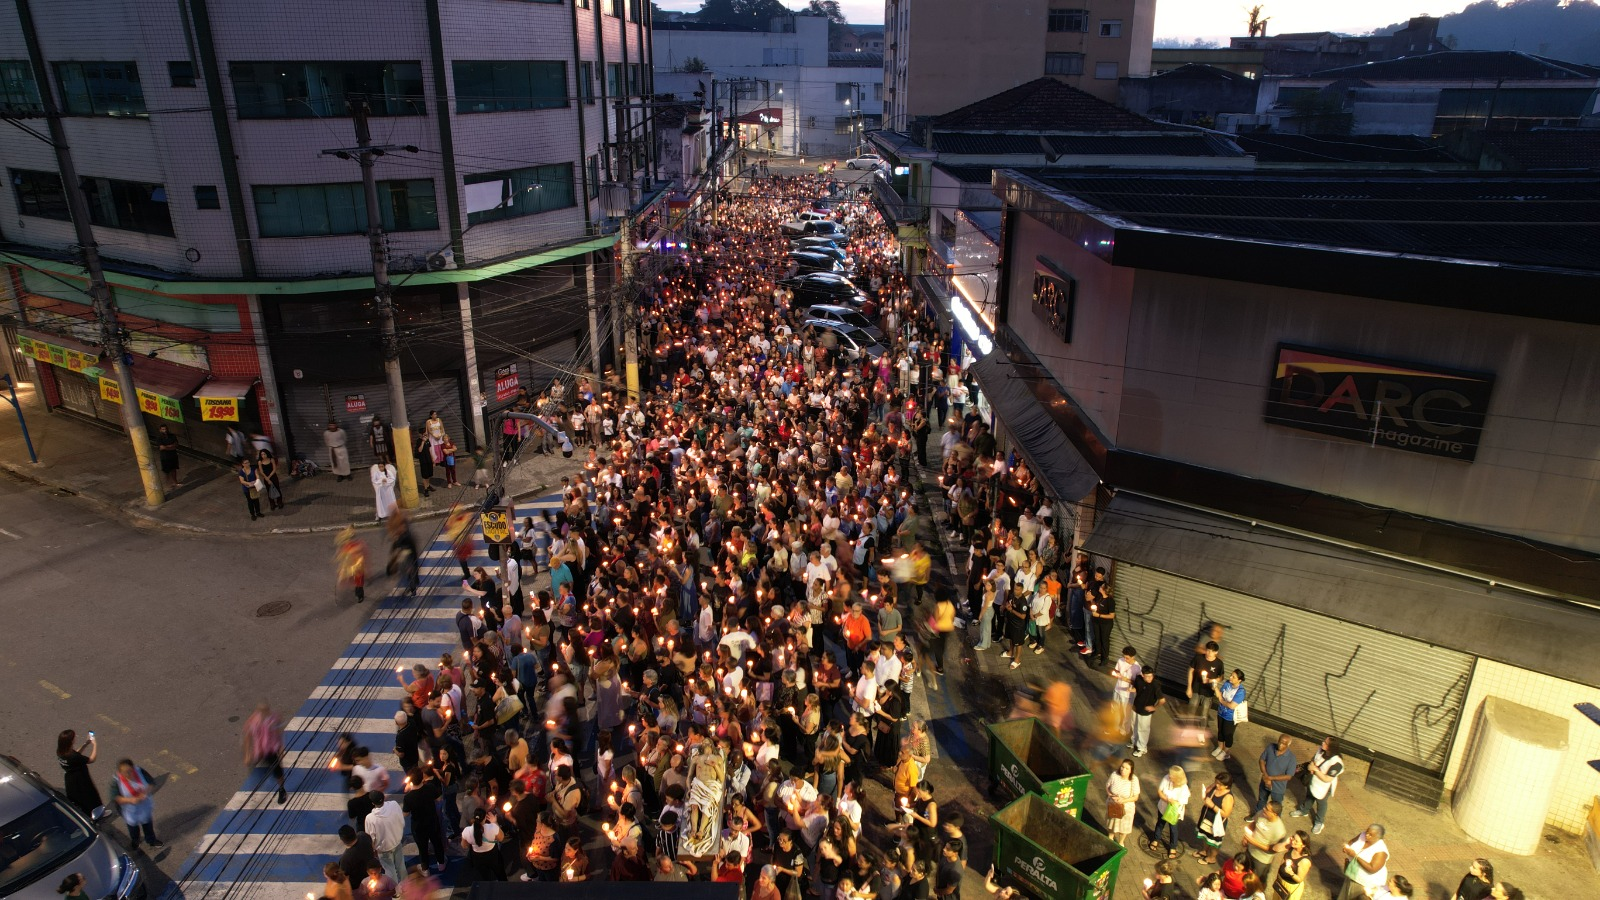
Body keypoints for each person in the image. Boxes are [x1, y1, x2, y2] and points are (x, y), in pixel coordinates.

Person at [1292, 735, 1343, 835]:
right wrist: (1312, 766)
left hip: (1324, 787)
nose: (1322, 743)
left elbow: (1327, 779)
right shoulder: (1321, 750)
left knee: (1321, 803)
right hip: (1314, 781)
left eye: (1325, 743)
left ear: (1330, 747)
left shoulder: (1337, 763)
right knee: (1309, 795)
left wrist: (1314, 770)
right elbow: (1314, 759)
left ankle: (1319, 822)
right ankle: (1304, 810)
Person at [108, 759, 162, 850]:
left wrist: (145, 793)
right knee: (133, 828)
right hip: (129, 811)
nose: (128, 774)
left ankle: (151, 840)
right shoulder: (116, 781)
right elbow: (115, 797)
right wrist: (130, 800)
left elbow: (151, 782)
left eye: (130, 771)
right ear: (120, 772)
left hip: (144, 807)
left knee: (148, 825)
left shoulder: (140, 771)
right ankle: (135, 841)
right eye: (125, 772)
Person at [242, 703, 288, 804]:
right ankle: (258, 782)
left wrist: (280, 748)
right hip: (259, 751)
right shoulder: (253, 721)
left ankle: (281, 790)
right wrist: (247, 754)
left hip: (272, 750)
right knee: (256, 770)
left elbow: (279, 732)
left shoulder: (274, 718)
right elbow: (248, 738)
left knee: (278, 772)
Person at [1336, 824, 1390, 900]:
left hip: (1364, 881)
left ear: (1378, 838)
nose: (1367, 835)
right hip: (1352, 873)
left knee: (1354, 897)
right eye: (1367, 832)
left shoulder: (1381, 851)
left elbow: (1372, 869)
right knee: (1345, 893)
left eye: (1371, 835)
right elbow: (1352, 841)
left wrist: (1355, 856)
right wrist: (1347, 847)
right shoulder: (1363, 835)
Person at [55, 730, 101, 816]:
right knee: (90, 796)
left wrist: (85, 744)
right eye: (74, 737)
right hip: (80, 778)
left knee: (77, 799)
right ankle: (97, 813)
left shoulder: (61, 752)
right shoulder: (73, 756)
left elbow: (76, 754)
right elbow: (91, 759)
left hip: (69, 779)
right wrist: (95, 745)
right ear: (71, 741)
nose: (75, 738)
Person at [366, 790, 407, 882]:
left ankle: (395, 891)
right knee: (401, 866)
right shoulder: (394, 805)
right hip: (396, 842)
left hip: (383, 849)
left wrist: (373, 850)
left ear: (372, 803)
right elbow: (401, 821)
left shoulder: (370, 818)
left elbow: (371, 837)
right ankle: (406, 886)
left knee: (390, 871)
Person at [1193, 772, 1234, 866]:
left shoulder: (1228, 797)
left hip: (1216, 822)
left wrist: (1212, 805)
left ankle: (1212, 858)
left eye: (1220, 784)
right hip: (1207, 817)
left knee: (1214, 841)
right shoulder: (1215, 786)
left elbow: (1226, 814)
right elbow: (1207, 791)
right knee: (1205, 835)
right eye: (1216, 782)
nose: (1217, 785)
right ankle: (1204, 851)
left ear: (1227, 786)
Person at [1242, 800, 1287, 883]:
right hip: (1250, 851)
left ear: (1275, 814)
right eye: (1265, 806)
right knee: (1245, 873)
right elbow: (1254, 823)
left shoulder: (1279, 831)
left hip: (1262, 859)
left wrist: (1254, 842)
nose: (1263, 809)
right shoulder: (1261, 813)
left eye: (1267, 809)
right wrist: (1246, 838)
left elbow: (1273, 849)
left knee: (1257, 881)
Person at [1255, 733, 1296, 817]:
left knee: (1276, 807)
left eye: (1284, 744)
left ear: (1288, 745)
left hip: (1278, 788)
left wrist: (1270, 778)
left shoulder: (1291, 758)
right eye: (1280, 742)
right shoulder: (1270, 747)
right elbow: (1262, 760)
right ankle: (1257, 816)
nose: (1280, 745)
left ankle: (1276, 821)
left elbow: (1289, 776)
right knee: (1262, 800)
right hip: (1265, 782)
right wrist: (1266, 776)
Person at [1152, 766, 1188, 859]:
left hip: (1174, 812)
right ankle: (1156, 839)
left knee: (1173, 829)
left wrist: (1173, 802)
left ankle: (1173, 847)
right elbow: (1160, 791)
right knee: (1160, 823)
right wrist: (1168, 800)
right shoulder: (1166, 778)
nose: (1169, 776)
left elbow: (1182, 801)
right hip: (1163, 807)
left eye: (1172, 775)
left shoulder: (1184, 788)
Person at [1212, 669, 1247, 761]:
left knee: (1227, 734)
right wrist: (1215, 687)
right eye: (1231, 675)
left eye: (1233, 677)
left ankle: (1226, 752)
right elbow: (1219, 695)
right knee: (1220, 731)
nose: (1230, 677)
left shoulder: (1240, 691)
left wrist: (1222, 701)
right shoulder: (1227, 684)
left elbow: (1232, 706)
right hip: (1221, 712)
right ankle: (1220, 747)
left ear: (1239, 680)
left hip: (1231, 717)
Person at [1131, 666, 1164, 757]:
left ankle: (1142, 748)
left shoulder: (1155, 685)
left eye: (1151, 676)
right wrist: (1131, 690)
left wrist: (1155, 707)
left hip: (1145, 711)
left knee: (1143, 729)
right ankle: (1134, 741)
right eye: (1147, 676)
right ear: (1142, 675)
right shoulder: (1138, 679)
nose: (1150, 678)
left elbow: (1162, 700)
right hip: (1136, 707)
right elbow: (1137, 688)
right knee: (1134, 725)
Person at [1105, 758, 1139, 847]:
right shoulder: (1114, 775)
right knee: (1112, 823)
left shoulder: (1134, 780)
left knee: (1124, 828)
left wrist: (1123, 801)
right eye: (1122, 767)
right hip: (1113, 804)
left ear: (1131, 771)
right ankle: (1110, 838)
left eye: (1127, 768)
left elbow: (1135, 797)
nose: (1123, 770)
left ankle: (1121, 842)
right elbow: (1107, 787)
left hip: (1126, 807)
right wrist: (1111, 796)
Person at [1276, 831, 1312, 900]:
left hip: (1290, 887)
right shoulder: (1291, 848)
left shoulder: (1304, 861)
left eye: (1296, 841)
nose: (1293, 842)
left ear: (1303, 845)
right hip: (1280, 882)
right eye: (1293, 838)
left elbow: (1299, 879)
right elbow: (1276, 849)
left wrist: (1291, 873)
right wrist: (1286, 843)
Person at [236, 455, 264, 521]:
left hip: (254, 487)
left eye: (248, 462)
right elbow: (242, 481)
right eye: (245, 463)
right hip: (247, 489)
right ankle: (252, 514)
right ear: (243, 464)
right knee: (250, 501)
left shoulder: (253, 468)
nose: (247, 464)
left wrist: (256, 480)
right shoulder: (241, 472)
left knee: (256, 500)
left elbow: (257, 475)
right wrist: (249, 483)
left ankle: (258, 512)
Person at [155, 425, 181, 490]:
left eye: (165, 429)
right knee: (167, 471)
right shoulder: (159, 438)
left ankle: (175, 482)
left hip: (173, 455)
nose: (165, 431)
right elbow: (161, 448)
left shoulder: (172, 436)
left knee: (174, 469)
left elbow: (176, 445)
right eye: (163, 429)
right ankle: (168, 484)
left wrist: (166, 447)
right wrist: (171, 447)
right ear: (160, 430)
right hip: (165, 456)